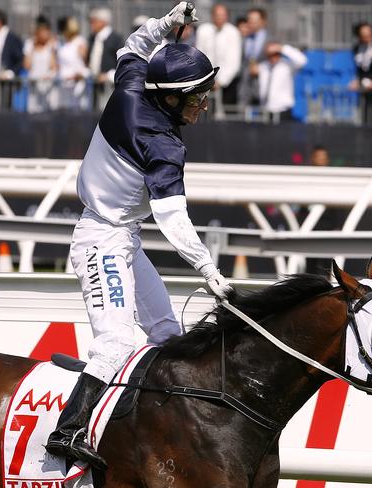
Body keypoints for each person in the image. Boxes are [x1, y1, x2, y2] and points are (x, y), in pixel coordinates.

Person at [44, 2, 231, 470]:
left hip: (121, 236)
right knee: (114, 344)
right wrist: (206, 267)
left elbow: (133, 46)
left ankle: (161, 420)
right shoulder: (163, 145)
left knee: (168, 333)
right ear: (170, 98)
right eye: (196, 97)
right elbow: (172, 218)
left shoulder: (131, 84)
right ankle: (67, 432)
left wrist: (167, 24)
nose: (203, 104)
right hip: (101, 240)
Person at [196, 3, 243, 107]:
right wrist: (207, 80)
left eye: (223, 15)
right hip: (206, 82)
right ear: (212, 16)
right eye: (217, 15)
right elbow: (199, 56)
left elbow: (234, 62)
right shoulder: (203, 30)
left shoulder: (233, 32)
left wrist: (221, 82)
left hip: (227, 84)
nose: (220, 18)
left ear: (227, 16)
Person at [257, 40, 307, 122]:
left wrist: (281, 48)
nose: (273, 57)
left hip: (283, 109)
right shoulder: (264, 66)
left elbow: (302, 60)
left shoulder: (287, 65)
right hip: (266, 110)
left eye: (275, 54)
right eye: (270, 55)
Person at [87, 7, 123, 111]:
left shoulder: (115, 39)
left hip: (110, 87)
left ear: (103, 22)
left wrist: (108, 75)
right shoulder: (93, 38)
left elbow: (122, 63)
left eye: (94, 21)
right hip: (95, 86)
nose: (91, 24)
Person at [24, 16, 59, 113]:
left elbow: (54, 66)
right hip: (34, 85)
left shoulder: (51, 46)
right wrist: (32, 47)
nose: (46, 34)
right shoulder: (29, 44)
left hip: (47, 86)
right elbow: (27, 65)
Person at [57, 16, 89, 109]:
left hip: (76, 84)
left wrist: (78, 75)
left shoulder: (80, 42)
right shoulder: (64, 42)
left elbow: (84, 63)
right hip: (64, 84)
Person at [239, 8, 268, 107]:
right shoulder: (244, 38)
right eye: (249, 20)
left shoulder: (271, 39)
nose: (251, 23)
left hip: (264, 86)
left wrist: (260, 68)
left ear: (263, 21)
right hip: (245, 86)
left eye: (254, 21)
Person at [350, 22, 372, 90]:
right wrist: (361, 81)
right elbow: (360, 69)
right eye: (364, 36)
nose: (368, 37)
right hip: (365, 85)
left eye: (369, 34)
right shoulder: (356, 48)